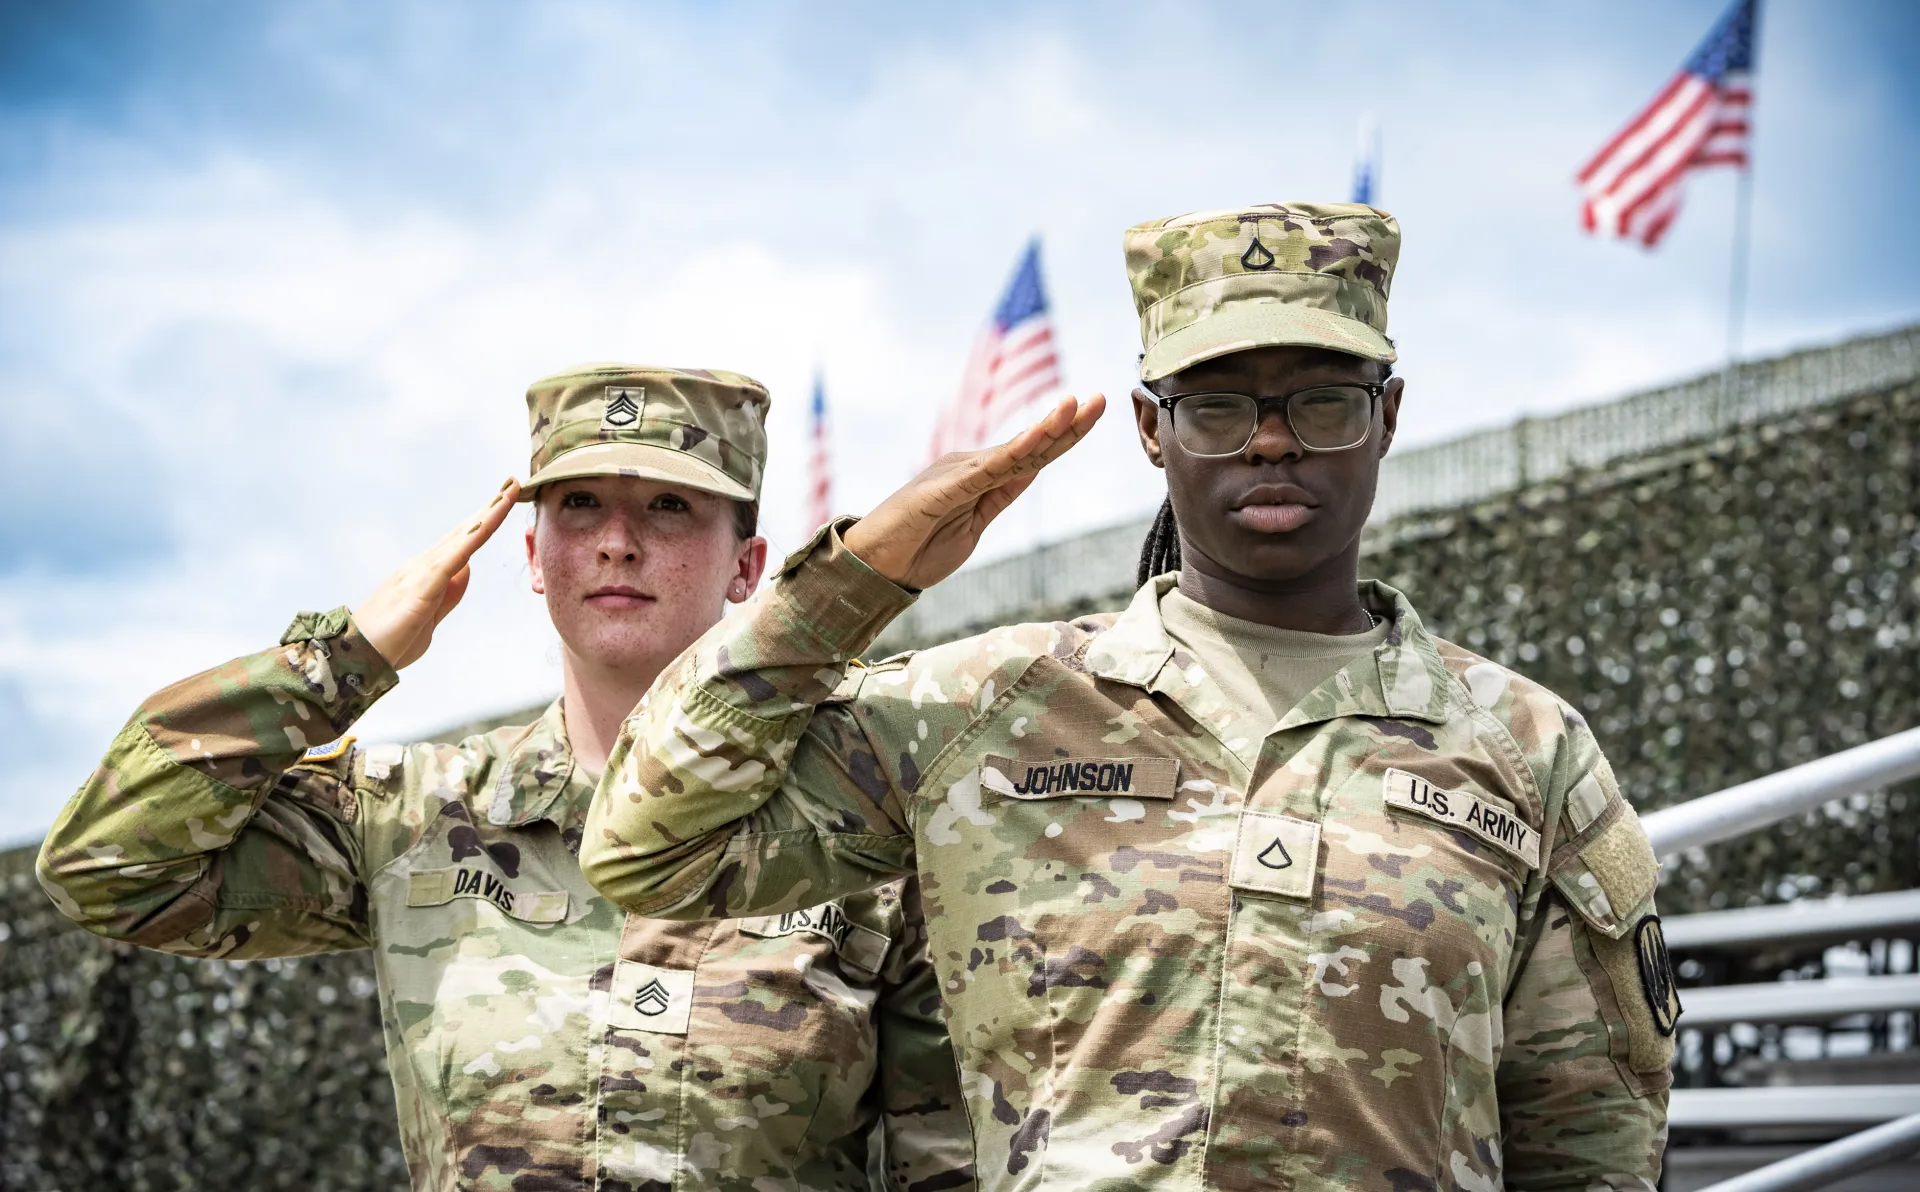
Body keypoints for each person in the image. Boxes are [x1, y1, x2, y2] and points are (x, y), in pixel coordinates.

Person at [579, 206, 1678, 1190]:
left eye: (1323, 401)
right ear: (1152, 428)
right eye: (1217, 407)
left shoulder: (1524, 747)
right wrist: (857, 579)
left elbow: (1592, 1138)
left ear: (1388, 415)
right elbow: (648, 849)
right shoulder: (984, 709)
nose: (1272, 439)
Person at [38, 364, 975, 1192]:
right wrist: (339, 663)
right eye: (580, 506)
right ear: (532, 556)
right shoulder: (412, 815)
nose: (617, 542)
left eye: (669, 506)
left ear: (748, 566)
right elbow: (108, 870)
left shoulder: (865, 835)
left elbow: (956, 1165)